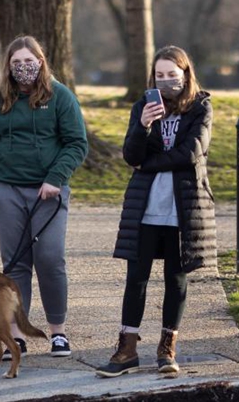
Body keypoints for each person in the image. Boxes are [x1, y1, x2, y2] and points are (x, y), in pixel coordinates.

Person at [96, 45, 216, 378]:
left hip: (182, 209)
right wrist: (143, 127)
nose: (165, 81)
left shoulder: (200, 108)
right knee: (136, 279)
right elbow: (130, 154)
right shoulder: (143, 107)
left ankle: (167, 349)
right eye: (159, 75)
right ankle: (127, 349)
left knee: (175, 280)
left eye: (172, 75)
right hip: (145, 209)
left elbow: (190, 153)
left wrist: (145, 163)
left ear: (185, 74)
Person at [0, 35, 88, 359]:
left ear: (41, 61)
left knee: (50, 259)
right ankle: (16, 335)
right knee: (16, 263)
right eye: (16, 62)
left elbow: (77, 143)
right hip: (5, 187)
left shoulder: (60, 97)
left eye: (29, 61)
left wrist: (55, 178)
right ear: (8, 66)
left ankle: (57, 332)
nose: (23, 67)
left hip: (48, 191)